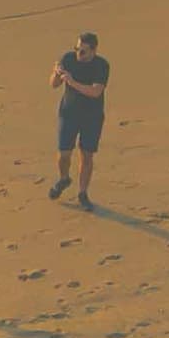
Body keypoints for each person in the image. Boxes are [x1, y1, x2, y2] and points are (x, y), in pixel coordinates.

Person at [48, 30, 110, 208]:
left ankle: (83, 193)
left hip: (92, 116)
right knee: (63, 154)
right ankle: (64, 178)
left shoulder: (101, 66)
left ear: (93, 51)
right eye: (77, 49)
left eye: (83, 51)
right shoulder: (68, 59)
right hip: (69, 113)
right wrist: (56, 73)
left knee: (87, 155)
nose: (78, 54)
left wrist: (72, 82)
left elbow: (95, 91)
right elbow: (53, 84)